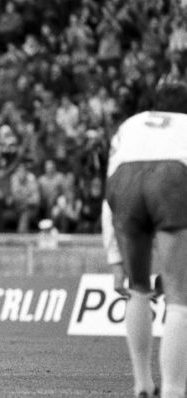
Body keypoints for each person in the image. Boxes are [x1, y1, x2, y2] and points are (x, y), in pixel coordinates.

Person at [102, 81, 187, 398]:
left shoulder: (131, 124)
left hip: (123, 182)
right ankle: (174, 392)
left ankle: (142, 385)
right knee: (180, 298)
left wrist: (114, 261)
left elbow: (106, 202)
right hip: (171, 179)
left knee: (137, 288)